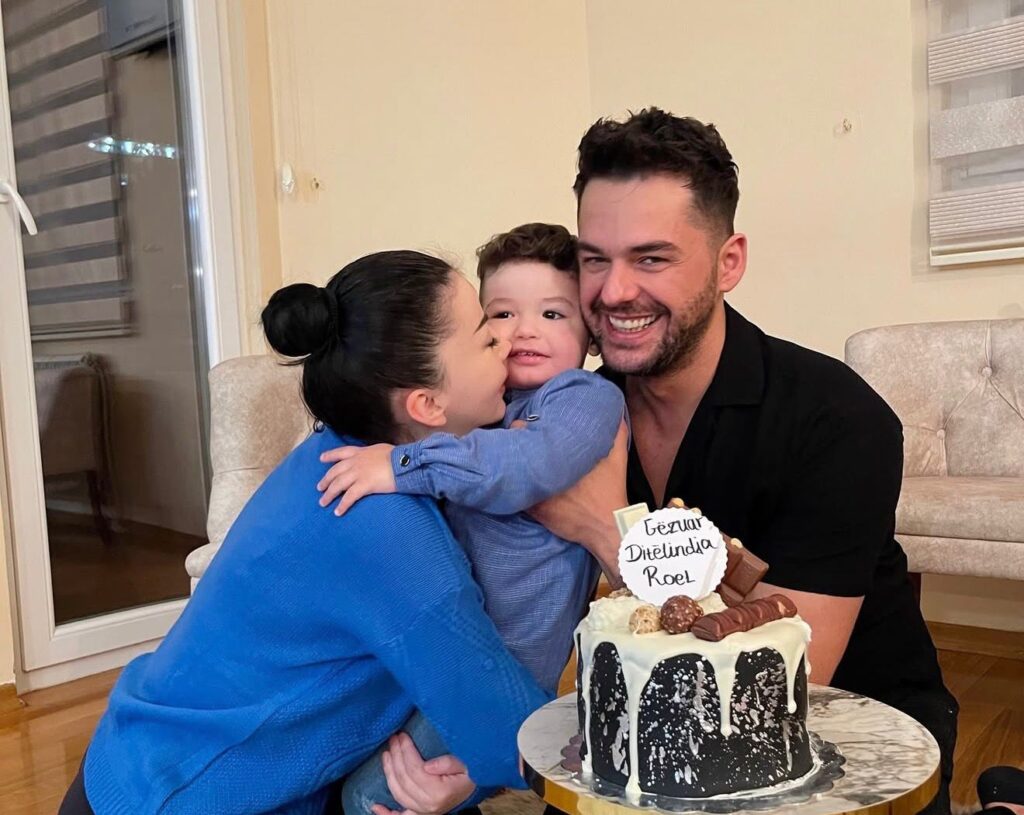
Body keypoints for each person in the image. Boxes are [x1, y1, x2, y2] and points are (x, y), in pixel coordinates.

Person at [529, 108, 959, 815]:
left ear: (729, 262)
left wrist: (606, 531)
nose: (613, 291)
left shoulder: (837, 420)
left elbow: (774, 693)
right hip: (646, 734)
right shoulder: (574, 417)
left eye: (652, 258)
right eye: (594, 259)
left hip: (845, 738)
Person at [58, 251, 549, 815]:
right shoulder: (388, 530)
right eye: (487, 338)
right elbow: (513, 736)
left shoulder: (331, 454)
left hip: (135, 756)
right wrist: (479, 777)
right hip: (175, 794)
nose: (507, 342)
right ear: (427, 404)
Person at [315, 224, 625, 813]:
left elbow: (526, 465)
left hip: (499, 672)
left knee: (373, 798)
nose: (524, 330)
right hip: (437, 644)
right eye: (501, 314)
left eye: (553, 314)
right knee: (346, 764)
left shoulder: (584, 398)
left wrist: (401, 464)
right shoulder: (482, 404)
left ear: (590, 335)